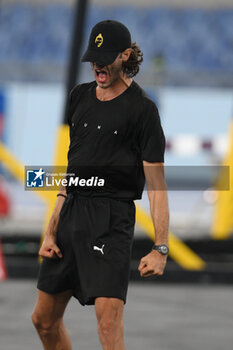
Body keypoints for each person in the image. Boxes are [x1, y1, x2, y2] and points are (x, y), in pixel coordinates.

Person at [32, 19, 169, 350]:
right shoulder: (79, 97)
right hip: (72, 214)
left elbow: (156, 186)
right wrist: (52, 228)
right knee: (43, 321)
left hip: (111, 221)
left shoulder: (143, 111)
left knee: (108, 325)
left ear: (124, 56)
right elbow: (72, 170)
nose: (96, 63)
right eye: (93, 56)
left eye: (105, 56)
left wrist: (160, 247)